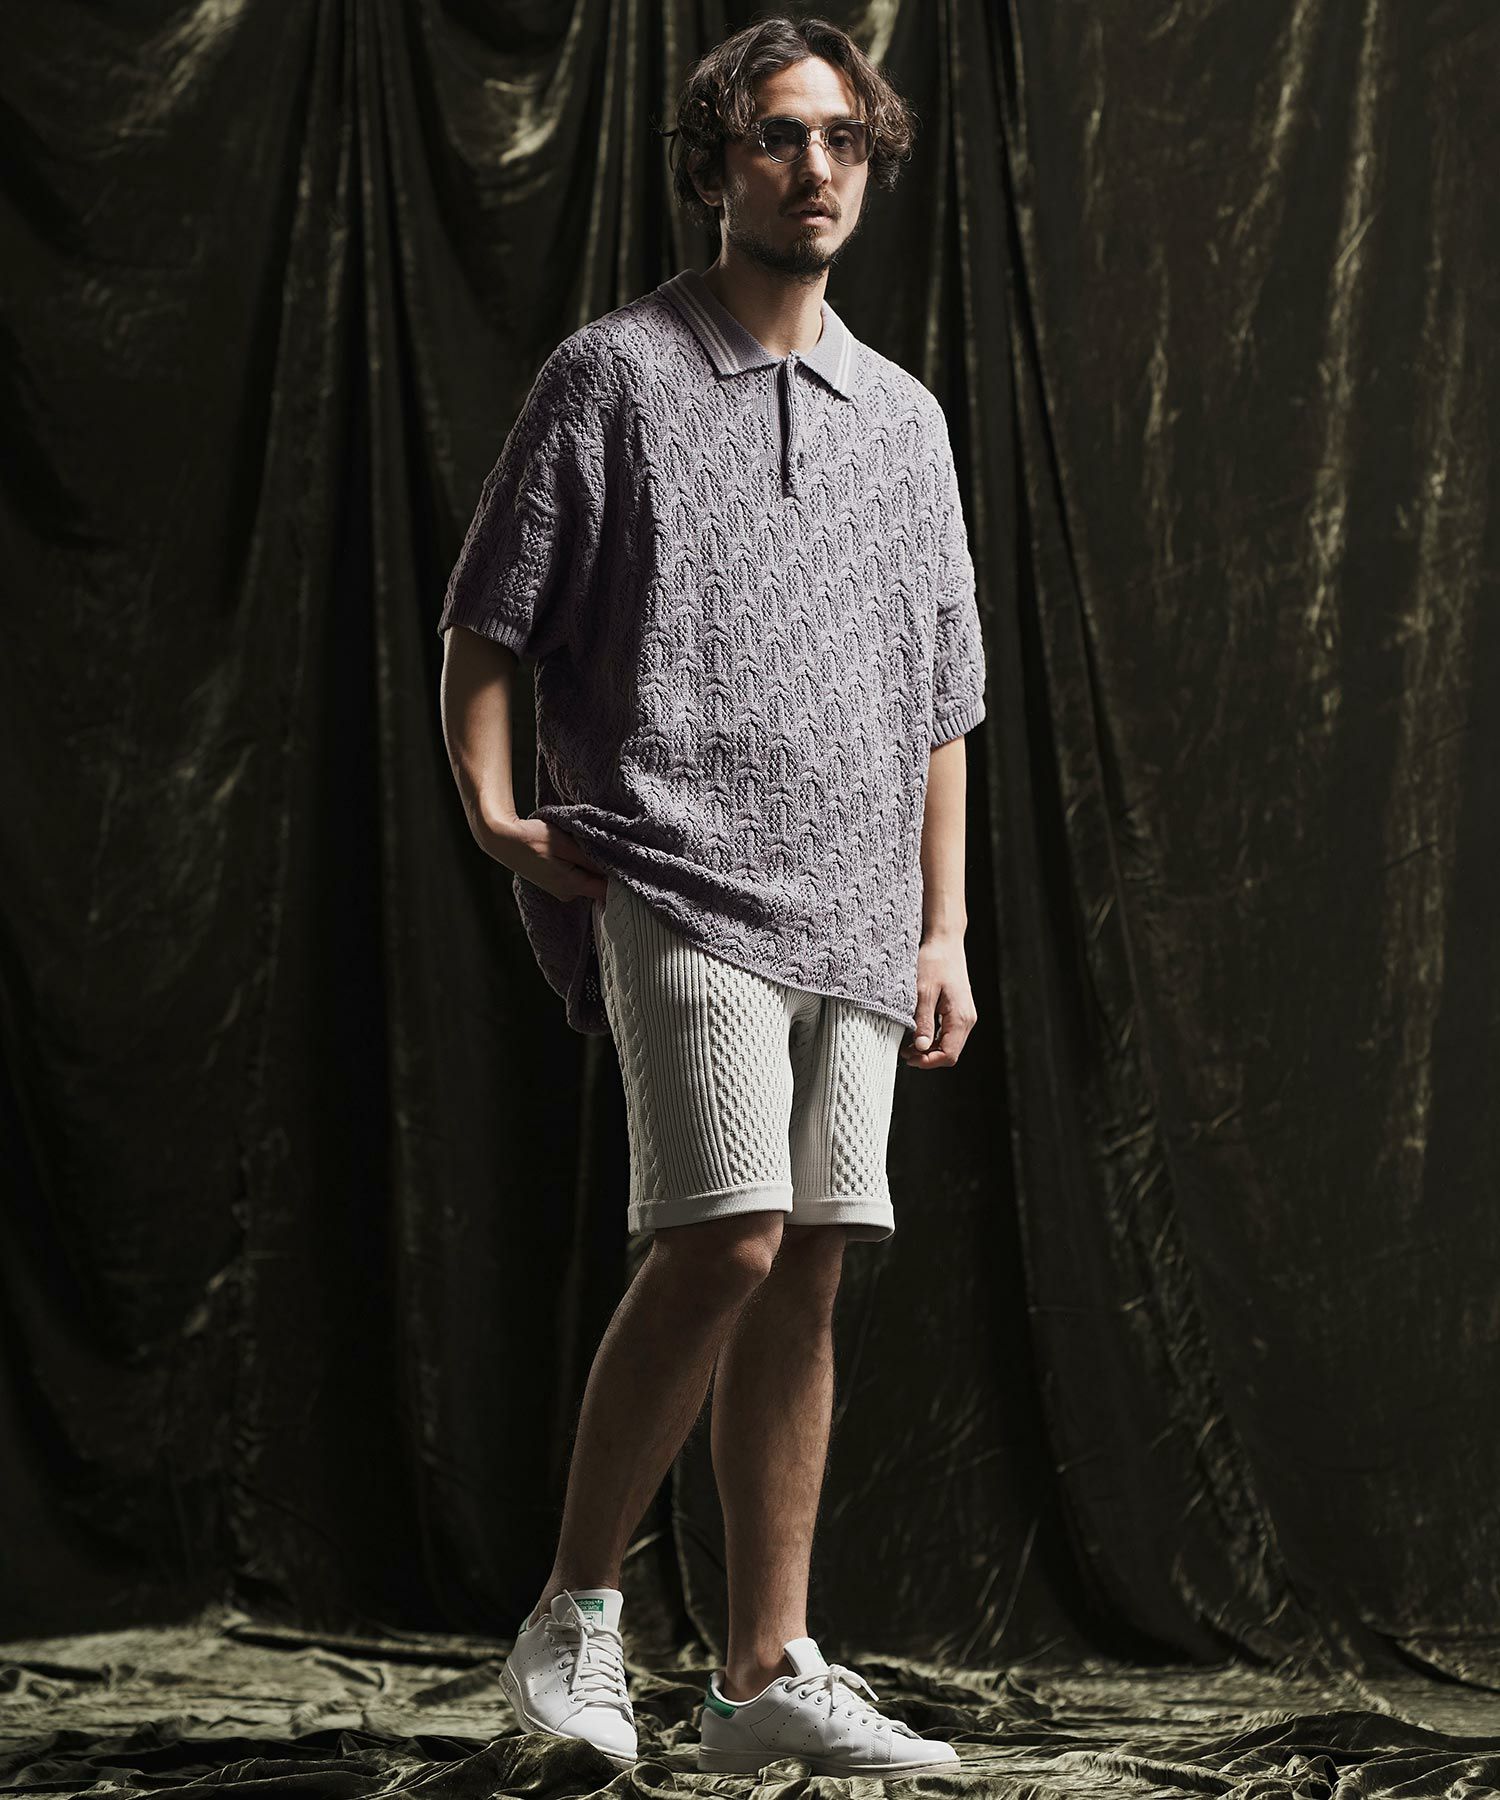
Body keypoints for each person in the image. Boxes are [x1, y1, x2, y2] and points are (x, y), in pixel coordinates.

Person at [436, 13, 984, 1780]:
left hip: (859, 906)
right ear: (713, 163)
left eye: (842, 140)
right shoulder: (612, 376)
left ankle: (760, 1678)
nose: (813, 168)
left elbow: (943, 701)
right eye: (776, 136)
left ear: (869, 165)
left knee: (808, 1269)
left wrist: (942, 927)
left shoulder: (908, 422)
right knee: (725, 1236)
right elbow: (487, 619)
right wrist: (501, 819)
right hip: (671, 870)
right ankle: (576, 1610)